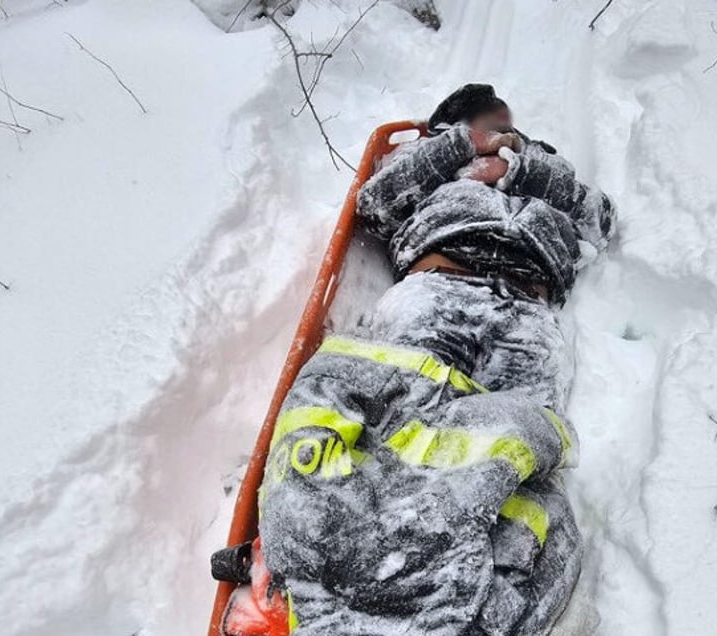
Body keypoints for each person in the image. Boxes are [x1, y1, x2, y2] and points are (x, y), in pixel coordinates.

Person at [252, 84, 616, 635]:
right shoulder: (433, 159)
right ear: (459, 123)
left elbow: (599, 221)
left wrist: (522, 169)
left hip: (527, 313)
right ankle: (360, 577)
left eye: (506, 123)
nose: (503, 129)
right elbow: (375, 203)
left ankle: (463, 603)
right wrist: (458, 149)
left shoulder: (544, 167)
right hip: (439, 290)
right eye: (489, 122)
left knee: (516, 459)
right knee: (398, 428)